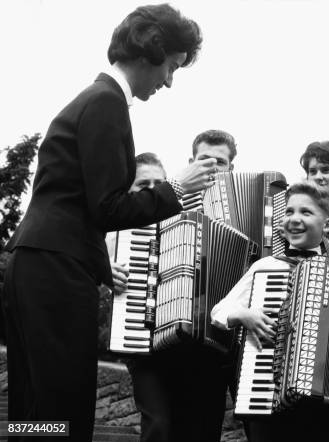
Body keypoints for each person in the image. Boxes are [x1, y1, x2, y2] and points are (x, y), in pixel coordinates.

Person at [1, 5, 211, 441]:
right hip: (54, 270)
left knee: (35, 404)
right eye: (171, 66)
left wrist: (100, 266)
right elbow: (108, 208)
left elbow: (73, 203)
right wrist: (176, 187)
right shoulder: (107, 104)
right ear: (153, 51)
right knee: (64, 406)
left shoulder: (94, 100)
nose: (169, 81)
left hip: (38, 261)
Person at [212, 181, 329, 442]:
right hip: (270, 395)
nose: (294, 218)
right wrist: (244, 315)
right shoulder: (267, 267)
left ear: (326, 225)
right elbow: (220, 310)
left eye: (306, 212)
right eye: (290, 211)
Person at [111, 133, 237, 442]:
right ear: (190, 163)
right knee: (159, 426)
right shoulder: (147, 212)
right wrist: (105, 268)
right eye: (203, 160)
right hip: (148, 335)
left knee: (202, 431)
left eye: (220, 162)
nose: (211, 167)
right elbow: (98, 255)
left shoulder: (240, 212)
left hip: (209, 345)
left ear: (231, 168)